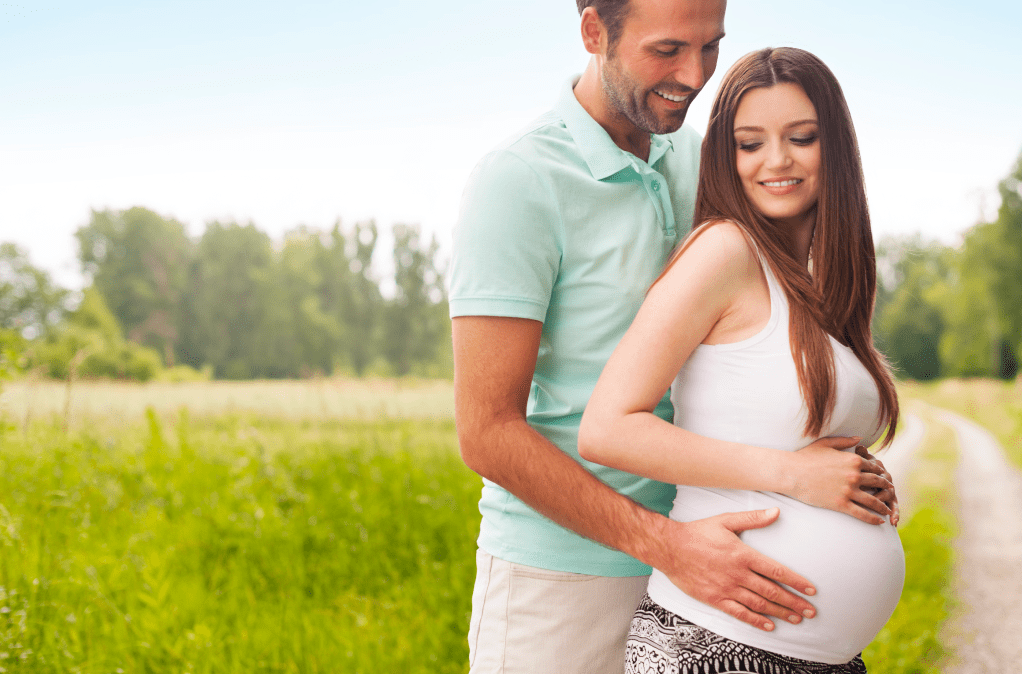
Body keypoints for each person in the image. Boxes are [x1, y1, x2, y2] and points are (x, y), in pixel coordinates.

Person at [449, 0, 897, 670]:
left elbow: (751, 363)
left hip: (713, 567)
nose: (694, 76)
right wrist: (665, 544)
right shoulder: (519, 182)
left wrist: (836, 468)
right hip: (563, 578)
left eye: (710, 47)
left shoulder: (710, 166)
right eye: (667, 51)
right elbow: (486, 431)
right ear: (594, 31)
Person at [578, 47, 905, 673]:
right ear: (725, 158)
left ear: (834, 147)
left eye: (800, 138)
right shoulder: (724, 252)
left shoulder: (819, 289)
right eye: (749, 143)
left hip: (816, 658)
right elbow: (607, 427)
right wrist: (794, 476)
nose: (775, 161)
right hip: (712, 648)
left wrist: (857, 478)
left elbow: (778, 421)